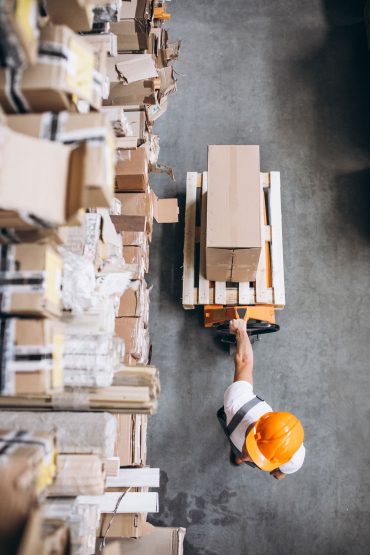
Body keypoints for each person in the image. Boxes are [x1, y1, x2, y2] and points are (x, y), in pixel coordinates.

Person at [217, 319, 305, 480]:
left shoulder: (289, 449)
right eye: (252, 450)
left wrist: (280, 471)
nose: (247, 457)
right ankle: (236, 452)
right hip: (235, 424)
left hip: (239, 434)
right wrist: (241, 331)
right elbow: (244, 363)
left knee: (239, 456)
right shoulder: (237, 404)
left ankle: (236, 452)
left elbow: (282, 471)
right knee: (239, 456)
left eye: (257, 456)